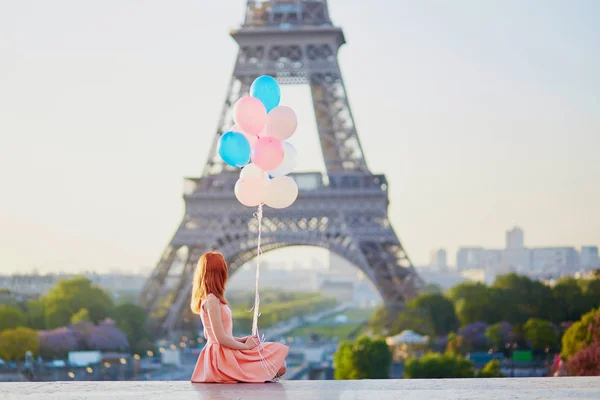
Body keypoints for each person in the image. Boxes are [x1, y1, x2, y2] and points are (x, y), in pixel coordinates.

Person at [190, 251, 289, 383]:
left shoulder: (208, 298)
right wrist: (247, 347)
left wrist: (242, 340)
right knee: (278, 365)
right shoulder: (212, 300)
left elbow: (210, 336)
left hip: (223, 352)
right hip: (222, 357)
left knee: (276, 360)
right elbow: (219, 338)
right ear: (220, 273)